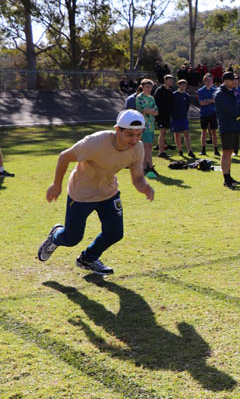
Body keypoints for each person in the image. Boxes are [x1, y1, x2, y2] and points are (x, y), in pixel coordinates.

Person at [37, 110, 155, 276]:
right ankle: (55, 236)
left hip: (108, 192)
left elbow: (137, 178)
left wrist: (145, 187)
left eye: (138, 134)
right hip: (82, 194)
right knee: (72, 238)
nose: (134, 140)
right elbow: (64, 157)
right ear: (117, 130)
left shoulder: (137, 148)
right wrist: (56, 185)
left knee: (115, 233)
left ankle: (88, 258)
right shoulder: (95, 142)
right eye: (129, 135)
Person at [215, 72, 240, 189]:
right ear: (225, 80)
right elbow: (229, 110)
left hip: (234, 125)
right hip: (226, 126)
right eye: (231, 80)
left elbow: (237, 107)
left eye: (235, 79)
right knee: (226, 152)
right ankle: (226, 179)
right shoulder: (220, 93)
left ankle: (229, 176)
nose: (234, 82)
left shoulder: (231, 92)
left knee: (230, 151)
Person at [135, 79, 159, 177]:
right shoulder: (139, 97)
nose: (149, 89)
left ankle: (146, 166)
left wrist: (149, 111)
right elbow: (142, 109)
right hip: (143, 125)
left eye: (150, 87)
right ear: (143, 87)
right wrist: (149, 110)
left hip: (151, 125)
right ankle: (149, 166)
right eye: (147, 87)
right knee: (146, 146)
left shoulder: (151, 98)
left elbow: (156, 112)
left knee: (149, 146)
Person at [171, 79, 195, 158]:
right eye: (182, 85)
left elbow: (187, 107)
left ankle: (190, 151)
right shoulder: (174, 95)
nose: (183, 86)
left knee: (187, 134)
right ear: (178, 85)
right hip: (175, 118)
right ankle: (180, 150)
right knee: (177, 135)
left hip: (184, 118)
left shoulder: (187, 96)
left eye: (185, 85)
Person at [197, 73, 219, 157]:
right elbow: (201, 103)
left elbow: (217, 101)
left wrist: (208, 101)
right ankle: (203, 150)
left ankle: (216, 150)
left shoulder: (216, 90)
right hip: (204, 114)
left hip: (213, 113)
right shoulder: (201, 91)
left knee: (214, 133)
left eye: (211, 80)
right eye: (208, 80)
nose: (210, 81)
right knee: (204, 132)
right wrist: (211, 101)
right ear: (204, 81)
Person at [153, 74, 175, 158]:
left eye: (172, 80)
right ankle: (161, 152)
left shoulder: (170, 91)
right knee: (162, 133)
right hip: (161, 115)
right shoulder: (159, 90)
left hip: (167, 115)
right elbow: (155, 103)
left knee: (164, 133)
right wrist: (157, 115)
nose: (171, 81)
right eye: (169, 80)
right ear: (165, 80)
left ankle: (162, 150)